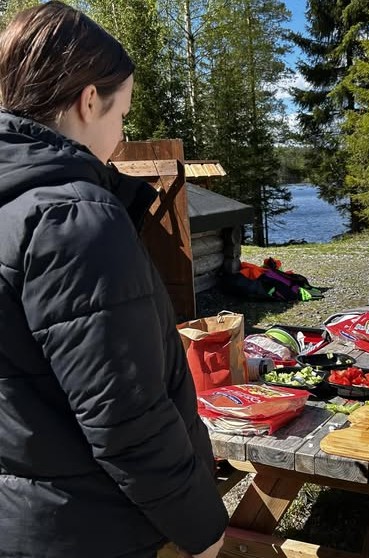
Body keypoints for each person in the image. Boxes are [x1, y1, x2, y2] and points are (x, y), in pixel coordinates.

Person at [0, 3, 228, 558]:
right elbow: (125, 415)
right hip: (89, 528)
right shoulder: (72, 218)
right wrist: (203, 528)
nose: (122, 137)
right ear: (88, 101)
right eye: (122, 115)